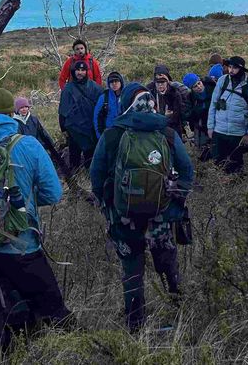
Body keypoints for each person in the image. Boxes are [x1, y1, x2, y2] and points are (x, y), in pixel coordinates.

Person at [0, 87, 72, 362]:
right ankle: (73, 349)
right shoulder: (27, 144)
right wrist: (24, 203)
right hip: (23, 246)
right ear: (11, 113)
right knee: (51, 305)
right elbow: (54, 193)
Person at [91, 83, 194, 332]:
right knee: (168, 262)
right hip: (161, 217)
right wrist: (173, 202)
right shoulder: (167, 133)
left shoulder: (113, 135)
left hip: (125, 218)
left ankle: (135, 324)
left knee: (132, 270)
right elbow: (187, 172)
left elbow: (96, 176)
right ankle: (179, 311)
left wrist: (110, 207)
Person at [206, 56, 248, 173]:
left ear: (242, 69)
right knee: (218, 163)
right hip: (219, 130)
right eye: (229, 67)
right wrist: (210, 126)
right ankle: (220, 189)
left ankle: (236, 187)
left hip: (238, 133)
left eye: (234, 68)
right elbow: (213, 104)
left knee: (236, 165)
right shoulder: (222, 80)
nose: (231, 70)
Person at [59, 59, 104, 171]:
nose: (80, 73)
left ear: (86, 71)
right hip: (74, 130)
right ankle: (74, 180)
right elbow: (62, 111)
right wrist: (63, 129)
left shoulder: (95, 88)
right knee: (74, 160)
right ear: (74, 72)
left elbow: (102, 108)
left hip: (90, 129)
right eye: (78, 70)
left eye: (83, 70)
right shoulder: (68, 89)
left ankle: (90, 178)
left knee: (91, 158)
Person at [14, 96, 64, 171]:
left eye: (26, 107)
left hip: (39, 147)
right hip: (26, 151)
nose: (24, 109)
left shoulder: (33, 119)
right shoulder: (15, 123)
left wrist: (50, 144)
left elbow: (42, 133)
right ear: (17, 110)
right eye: (21, 108)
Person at [150, 65, 187, 139]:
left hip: (172, 129)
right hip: (156, 128)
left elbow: (177, 116)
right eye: (158, 82)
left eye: (162, 81)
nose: (160, 85)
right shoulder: (150, 92)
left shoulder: (174, 93)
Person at [93, 71, 125, 139]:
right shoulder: (104, 97)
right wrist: (100, 136)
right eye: (111, 82)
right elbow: (97, 117)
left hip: (124, 133)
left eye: (116, 81)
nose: (114, 84)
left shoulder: (126, 95)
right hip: (108, 133)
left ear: (121, 82)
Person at [182, 73, 209, 140]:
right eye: (195, 86)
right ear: (191, 89)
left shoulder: (212, 88)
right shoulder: (191, 98)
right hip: (203, 126)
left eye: (199, 83)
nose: (199, 87)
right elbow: (189, 115)